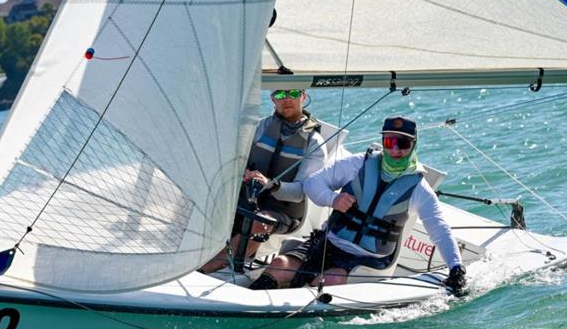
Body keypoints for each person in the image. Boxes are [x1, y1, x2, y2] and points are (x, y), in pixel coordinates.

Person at [253, 116, 467, 295]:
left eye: (403, 144)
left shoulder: (419, 189)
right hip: (328, 242)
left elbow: (439, 229)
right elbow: (312, 184)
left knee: (327, 282)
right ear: (383, 143)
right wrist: (333, 199)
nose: (396, 150)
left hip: (366, 259)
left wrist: (456, 268)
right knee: (279, 266)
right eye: (390, 143)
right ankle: (254, 304)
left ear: (413, 145)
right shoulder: (359, 163)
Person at [199, 89, 328, 275]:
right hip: (245, 199)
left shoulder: (315, 142)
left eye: (293, 93)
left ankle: (206, 270)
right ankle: (188, 257)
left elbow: (301, 191)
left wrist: (271, 184)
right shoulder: (260, 127)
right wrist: (240, 172)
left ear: (303, 96)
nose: (287, 100)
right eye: (280, 95)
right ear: (272, 99)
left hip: (283, 213)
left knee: (260, 222)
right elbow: (234, 161)